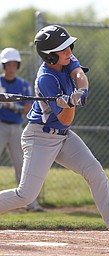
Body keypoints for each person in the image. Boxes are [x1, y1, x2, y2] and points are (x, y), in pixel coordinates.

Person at [0, 25, 109, 245]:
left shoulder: (67, 59)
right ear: (50, 55)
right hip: (39, 137)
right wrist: (69, 103)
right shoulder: (46, 79)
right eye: (63, 49)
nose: (69, 51)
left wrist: (80, 92)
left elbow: (79, 74)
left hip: (63, 136)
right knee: (26, 195)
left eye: (68, 46)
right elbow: (65, 119)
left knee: (94, 171)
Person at [0, 48, 44, 212]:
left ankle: (30, 204)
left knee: (22, 166)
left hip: (17, 128)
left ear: (17, 65)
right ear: (4, 65)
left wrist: (11, 105)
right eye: (8, 64)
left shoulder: (23, 84)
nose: (11, 67)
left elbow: (27, 108)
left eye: (14, 64)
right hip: (0, 126)